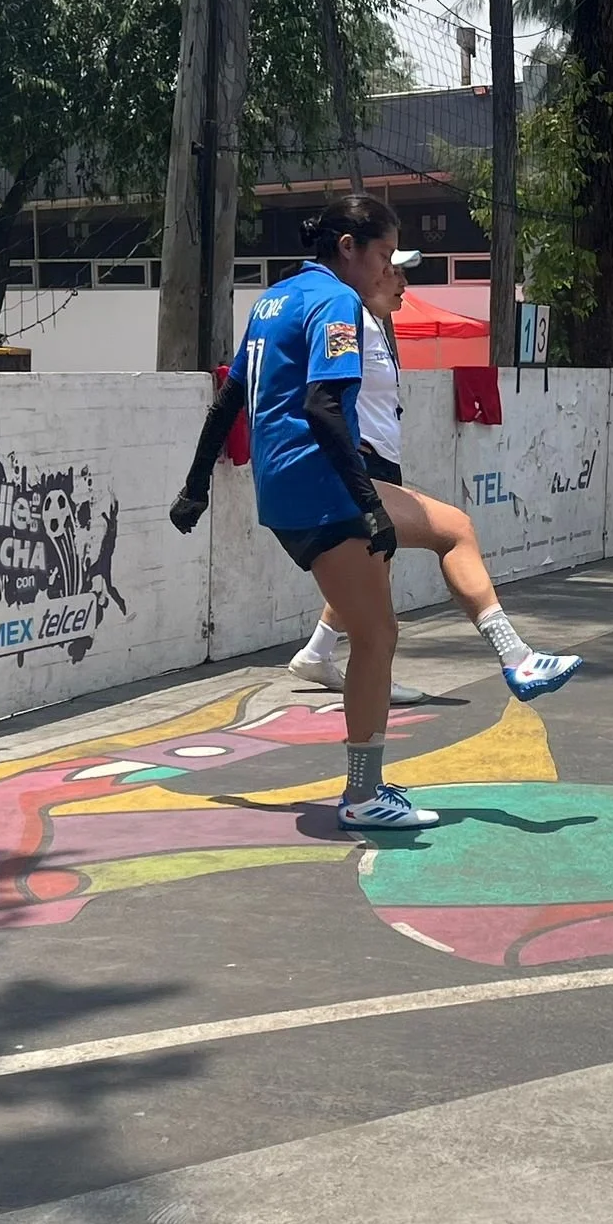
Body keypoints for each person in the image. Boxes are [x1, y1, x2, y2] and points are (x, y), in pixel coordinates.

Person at [169, 194, 583, 831]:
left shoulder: (272, 300)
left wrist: (196, 486)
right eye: (385, 255)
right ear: (347, 248)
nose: (391, 269)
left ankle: (383, 774)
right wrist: (369, 506)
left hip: (281, 492)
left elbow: (229, 400)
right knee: (434, 557)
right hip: (323, 481)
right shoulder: (336, 301)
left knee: (378, 628)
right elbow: (323, 407)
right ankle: (501, 669)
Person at [288, 248, 425, 703]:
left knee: (373, 570)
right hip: (365, 461)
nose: (403, 283)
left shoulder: (374, 324)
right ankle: (374, 673)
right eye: (394, 270)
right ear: (370, 270)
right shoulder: (350, 320)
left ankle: (317, 651)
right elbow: (322, 397)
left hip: (381, 455)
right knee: (377, 576)